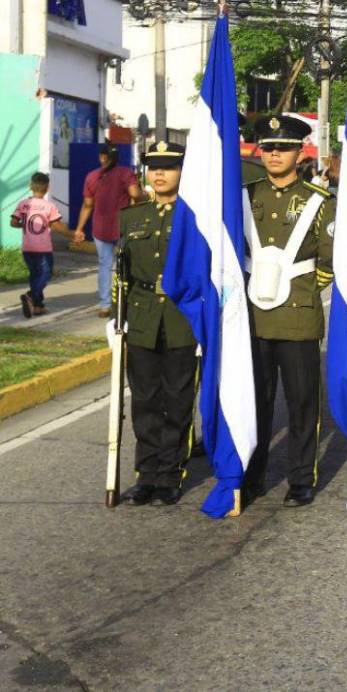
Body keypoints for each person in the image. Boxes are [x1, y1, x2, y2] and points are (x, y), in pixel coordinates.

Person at [243, 115, 334, 508]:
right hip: (253, 317)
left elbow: (329, 260)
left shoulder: (319, 201)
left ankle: (300, 478)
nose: (275, 154)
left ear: (300, 152)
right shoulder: (245, 196)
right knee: (255, 403)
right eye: (268, 147)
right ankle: (251, 474)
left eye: (283, 147)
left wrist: (301, 287)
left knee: (301, 404)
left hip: (297, 315)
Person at [115, 142, 198, 506]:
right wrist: (119, 318)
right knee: (145, 400)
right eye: (154, 167)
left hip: (181, 317)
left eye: (169, 167)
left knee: (178, 398)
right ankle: (146, 473)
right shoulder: (132, 217)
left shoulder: (196, 217)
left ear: (183, 171)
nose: (160, 173)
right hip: (143, 316)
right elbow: (123, 275)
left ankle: (170, 473)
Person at [73, 143, 143, 317]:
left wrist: (79, 229)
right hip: (123, 227)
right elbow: (135, 194)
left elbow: (88, 205)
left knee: (105, 265)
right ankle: (127, 301)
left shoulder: (91, 177)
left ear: (101, 157)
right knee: (127, 265)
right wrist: (146, 195)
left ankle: (104, 305)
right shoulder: (126, 173)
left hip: (100, 229)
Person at [10, 173, 72, 317]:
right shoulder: (49, 206)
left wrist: (24, 224)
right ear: (47, 188)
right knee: (46, 273)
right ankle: (30, 296)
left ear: (30, 186)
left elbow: (13, 223)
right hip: (43, 249)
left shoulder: (23, 204)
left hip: (27, 248)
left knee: (35, 275)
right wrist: (71, 235)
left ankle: (38, 306)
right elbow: (56, 225)